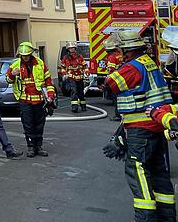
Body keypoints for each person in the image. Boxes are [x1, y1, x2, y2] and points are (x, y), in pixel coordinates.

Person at [104, 29, 174, 222]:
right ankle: (167, 217)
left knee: (139, 174)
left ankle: (145, 218)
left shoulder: (131, 67)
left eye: (118, 51)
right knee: (159, 174)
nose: (117, 54)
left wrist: (115, 66)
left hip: (141, 131)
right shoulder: (149, 63)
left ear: (126, 50)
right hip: (156, 126)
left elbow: (110, 85)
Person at [6, 42, 55, 158]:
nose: (25, 57)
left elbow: (48, 80)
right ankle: (31, 147)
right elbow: (8, 80)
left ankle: (39, 146)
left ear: (31, 54)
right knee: (28, 125)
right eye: (23, 55)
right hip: (25, 101)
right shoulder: (15, 65)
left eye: (27, 55)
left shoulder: (40, 63)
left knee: (40, 124)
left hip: (39, 100)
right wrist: (12, 74)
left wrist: (51, 96)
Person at [60, 41, 87, 113]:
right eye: (70, 48)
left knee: (81, 92)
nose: (72, 50)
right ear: (68, 49)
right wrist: (64, 73)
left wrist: (87, 71)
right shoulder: (66, 58)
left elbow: (84, 65)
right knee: (74, 91)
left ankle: (83, 106)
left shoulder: (80, 57)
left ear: (75, 48)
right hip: (71, 77)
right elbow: (62, 67)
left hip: (80, 77)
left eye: (73, 48)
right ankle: (74, 107)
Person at [104, 33, 124, 121]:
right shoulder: (119, 54)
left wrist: (108, 80)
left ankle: (118, 115)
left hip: (115, 79)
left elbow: (111, 70)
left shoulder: (111, 57)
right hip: (122, 78)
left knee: (115, 98)